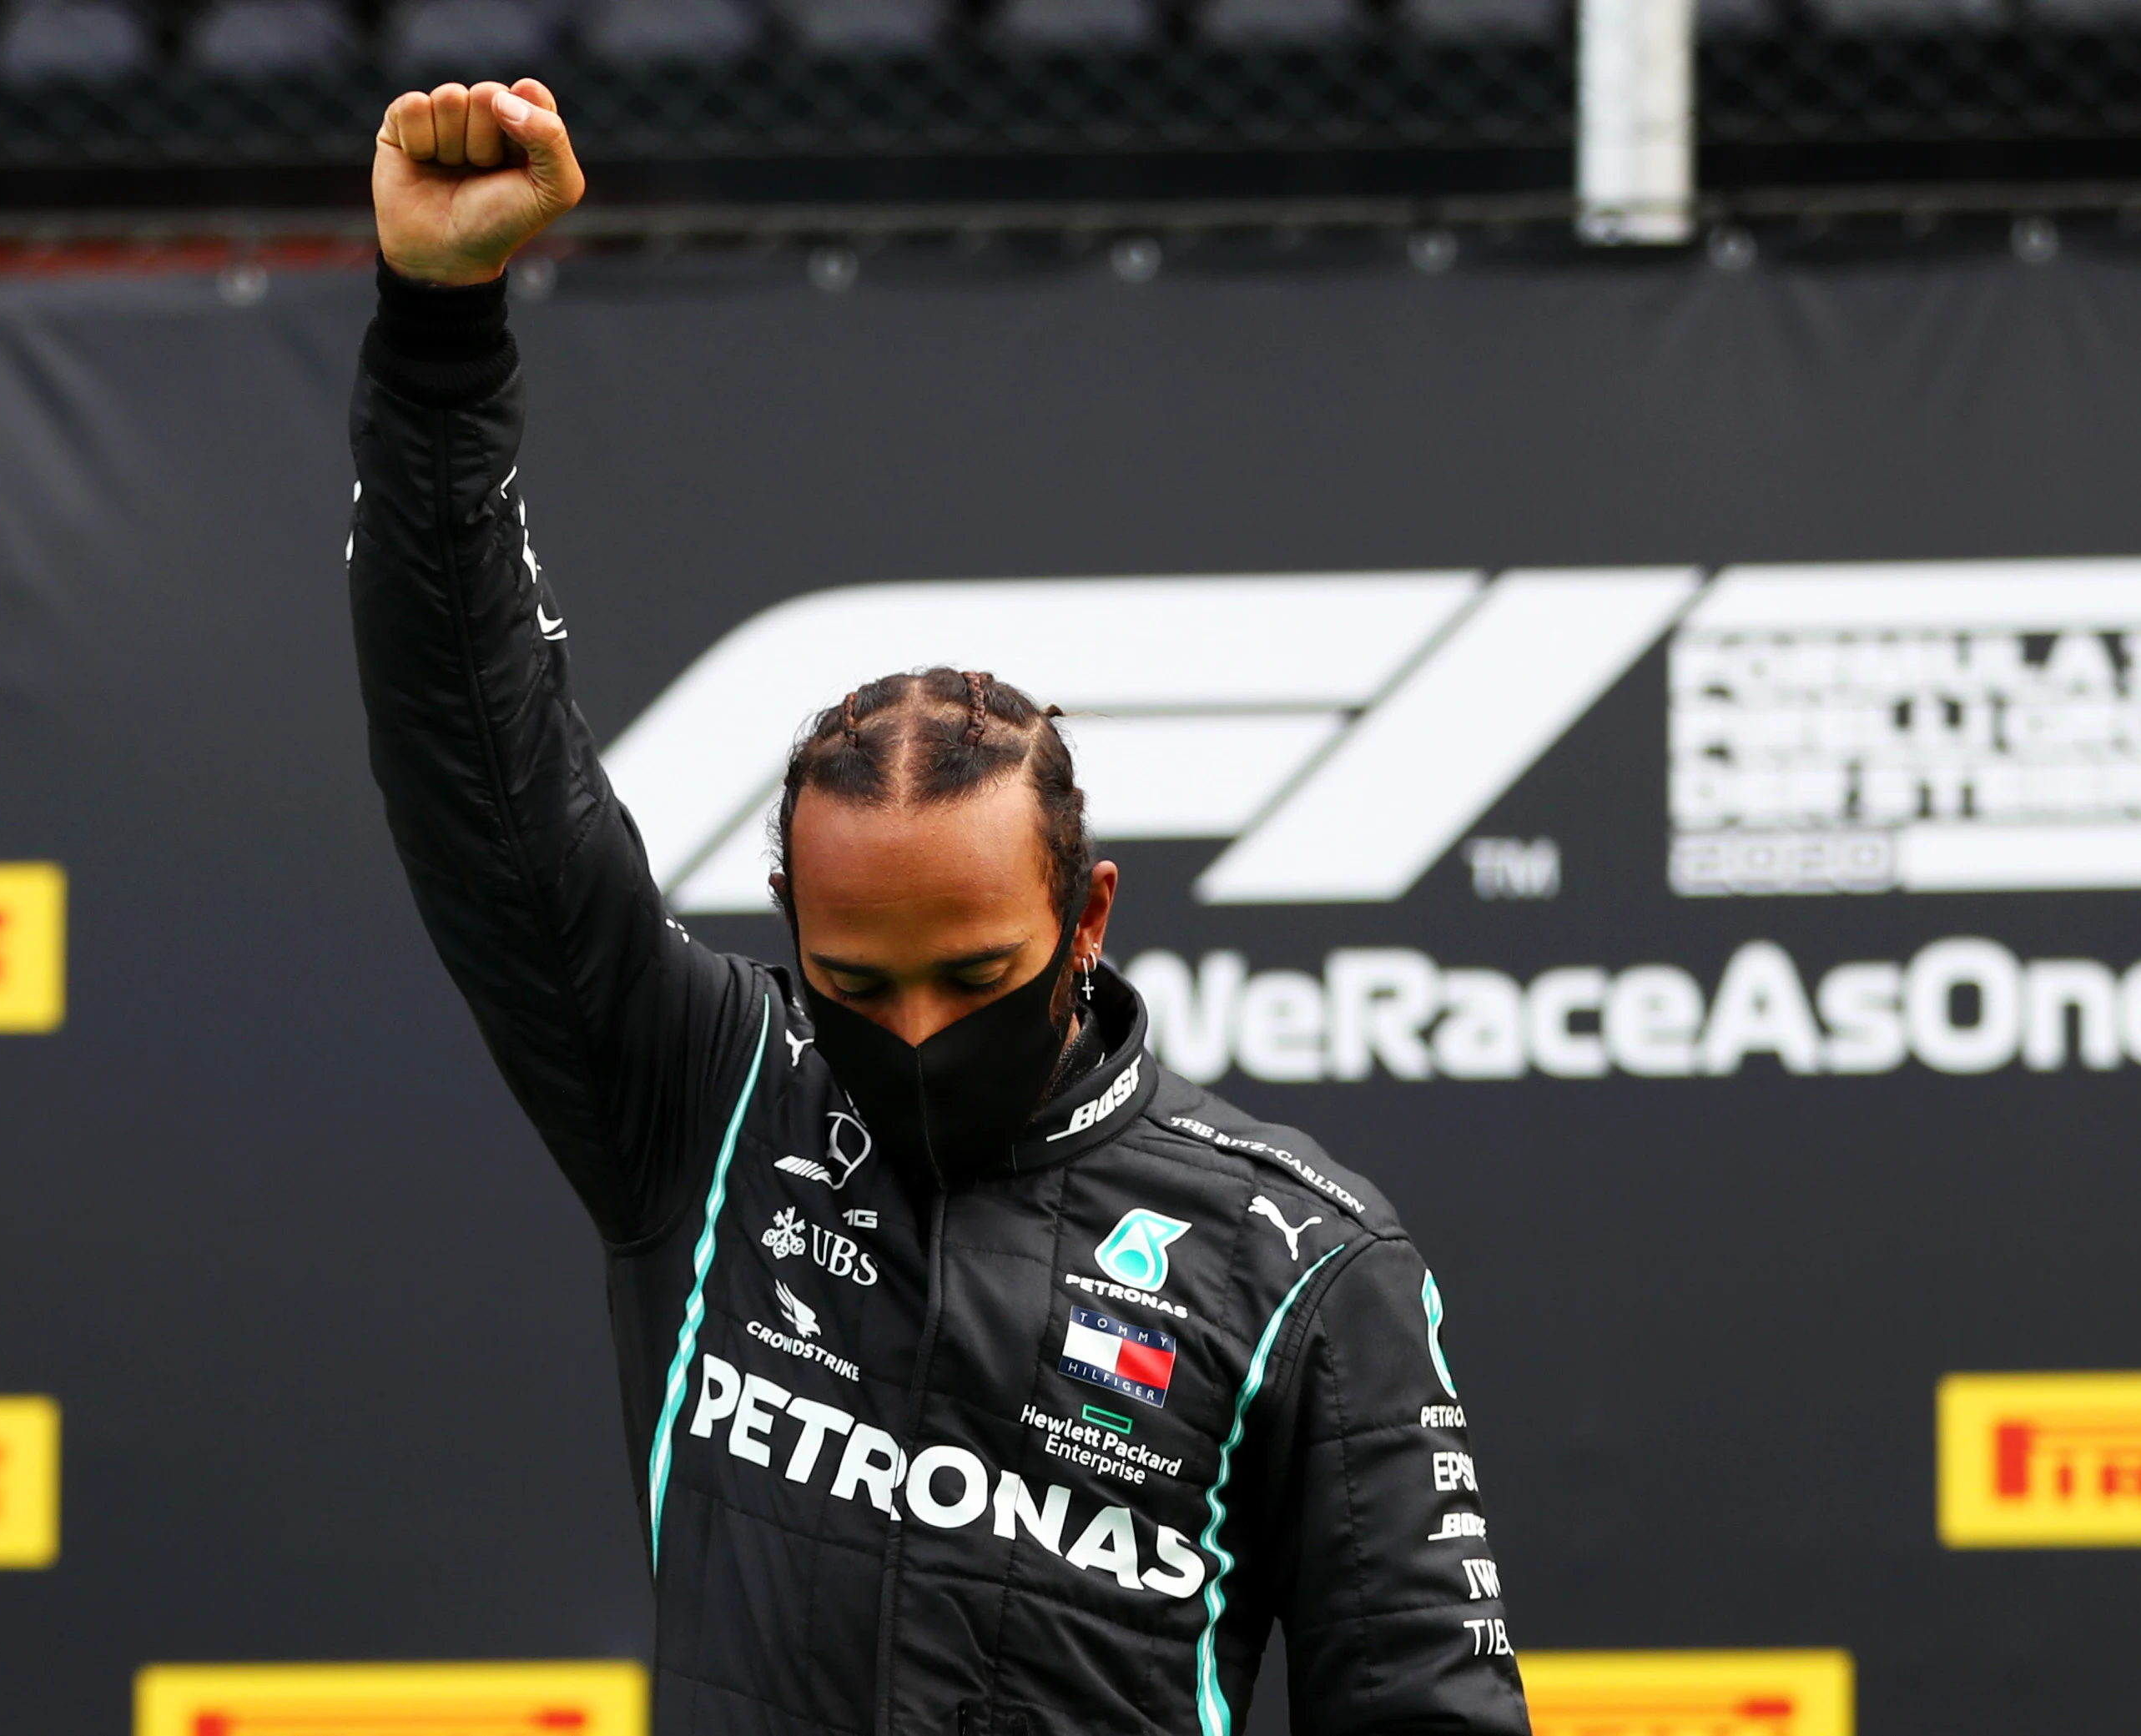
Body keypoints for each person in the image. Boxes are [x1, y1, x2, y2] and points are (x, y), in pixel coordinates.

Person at [348, 77, 1531, 1736]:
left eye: (974, 976)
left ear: (1088, 914)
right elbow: (479, 769)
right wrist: (438, 335)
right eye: (855, 982)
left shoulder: (1299, 1261)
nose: (913, 1032)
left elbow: (1427, 1704)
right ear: (786, 920)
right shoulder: (708, 1105)